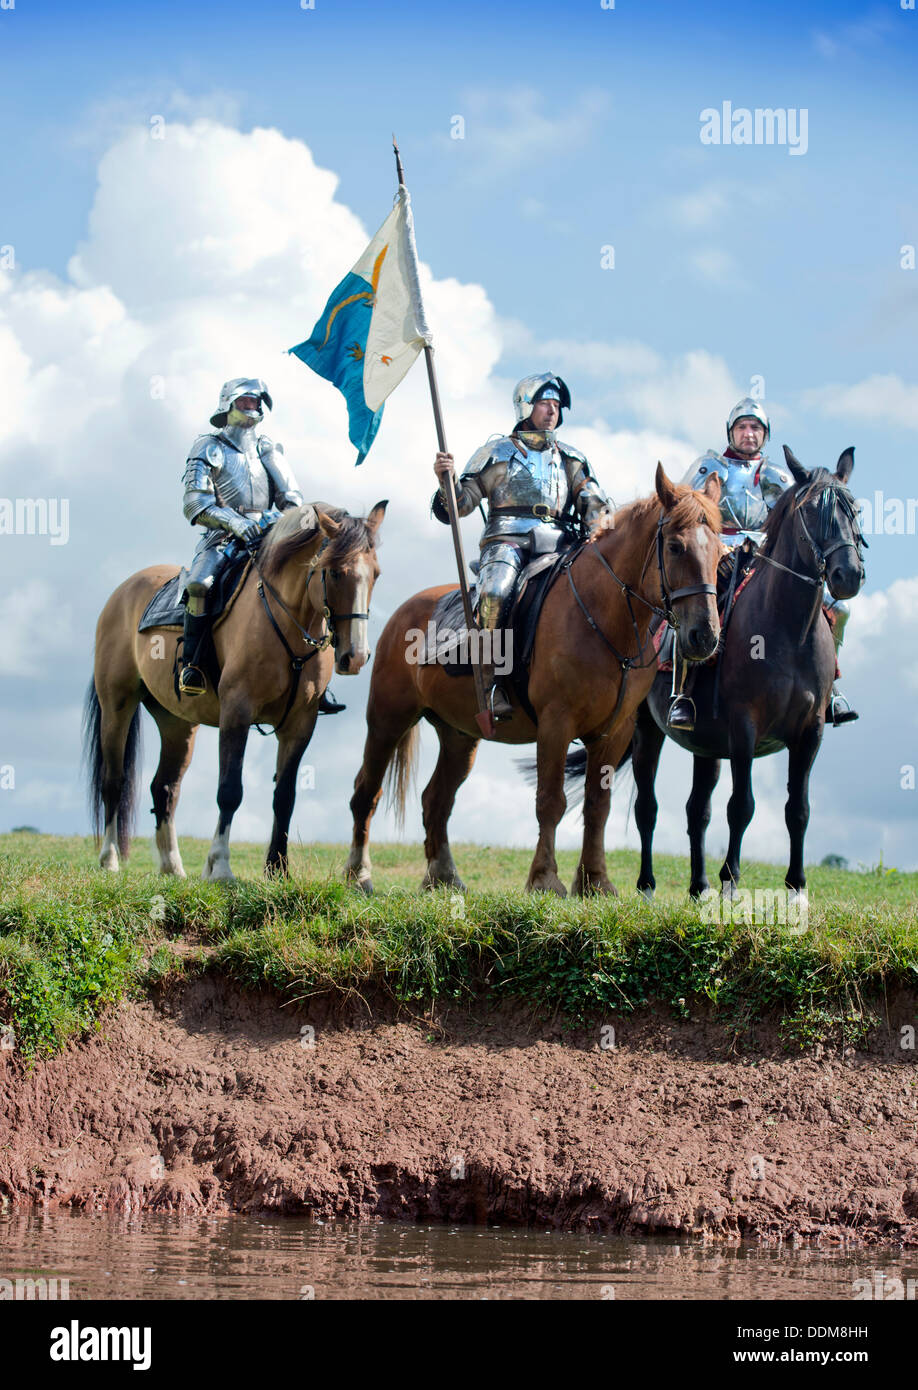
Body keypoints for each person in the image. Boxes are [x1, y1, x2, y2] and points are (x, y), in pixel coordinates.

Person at [667, 396, 857, 730]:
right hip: (719, 555)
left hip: (764, 559)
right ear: (731, 432)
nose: (748, 434)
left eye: (755, 428)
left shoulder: (775, 475)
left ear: (764, 435)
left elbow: (795, 520)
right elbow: (684, 510)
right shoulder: (708, 467)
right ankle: (683, 694)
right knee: (701, 604)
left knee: (835, 609)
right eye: (742, 427)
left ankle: (830, 685)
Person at [431, 373, 610, 722]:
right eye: (545, 403)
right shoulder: (497, 453)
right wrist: (446, 482)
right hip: (507, 539)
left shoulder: (570, 458)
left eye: (557, 406)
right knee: (496, 593)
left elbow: (592, 501)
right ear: (526, 406)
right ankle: (491, 680)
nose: (552, 411)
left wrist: (598, 529)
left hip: (561, 542)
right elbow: (462, 505)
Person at [179, 376, 344, 712]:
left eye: (257, 402)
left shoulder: (267, 449)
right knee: (200, 584)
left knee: (311, 581)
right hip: (223, 537)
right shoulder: (209, 447)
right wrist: (236, 522)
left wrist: (275, 522)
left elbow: (292, 499)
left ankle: (317, 680)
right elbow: (195, 503)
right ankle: (192, 664)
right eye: (246, 401)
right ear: (228, 405)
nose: (252, 407)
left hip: (270, 536)